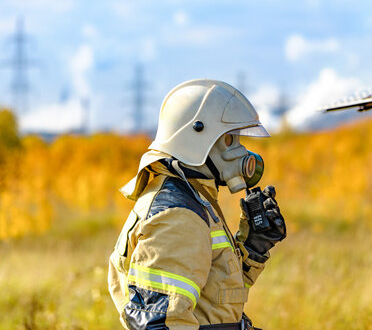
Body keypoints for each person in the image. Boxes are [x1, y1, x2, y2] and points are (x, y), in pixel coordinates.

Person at [108, 79, 287, 330]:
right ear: (197, 136)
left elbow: (214, 298)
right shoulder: (177, 216)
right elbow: (160, 324)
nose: (241, 150)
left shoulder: (192, 199)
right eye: (229, 139)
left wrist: (253, 248)